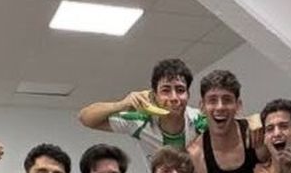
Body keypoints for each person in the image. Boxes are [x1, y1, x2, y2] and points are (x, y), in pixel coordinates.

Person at [78, 57, 206, 162]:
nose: (174, 98)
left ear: (188, 95)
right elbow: (86, 118)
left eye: (180, 90)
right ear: (154, 95)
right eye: (165, 90)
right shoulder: (140, 120)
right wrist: (122, 104)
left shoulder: (200, 120)